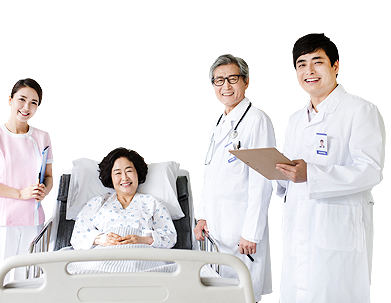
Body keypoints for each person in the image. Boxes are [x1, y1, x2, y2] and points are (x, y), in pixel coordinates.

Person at [275, 34, 385, 303]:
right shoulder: (297, 120)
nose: (309, 71)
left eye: (317, 62)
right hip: (299, 232)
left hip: (337, 235)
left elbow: (370, 169)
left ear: (335, 66)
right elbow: (288, 172)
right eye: (301, 64)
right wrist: (274, 172)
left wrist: (311, 174)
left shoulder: (359, 111)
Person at [194, 54, 275, 302]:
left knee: (244, 293)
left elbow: (262, 180)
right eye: (219, 80)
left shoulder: (256, 121)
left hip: (241, 231)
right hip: (217, 228)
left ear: (246, 82)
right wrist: (202, 215)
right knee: (220, 294)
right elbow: (211, 175)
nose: (225, 86)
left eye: (232, 79)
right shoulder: (220, 122)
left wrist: (251, 232)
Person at [0, 79, 54, 285]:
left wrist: (45, 191)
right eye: (22, 99)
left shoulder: (42, 138)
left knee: (29, 282)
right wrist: (20, 194)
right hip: (1, 222)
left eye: (34, 103)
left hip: (34, 221)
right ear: (10, 100)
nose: (27, 107)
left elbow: (49, 176)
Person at [70, 148, 177, 250]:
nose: (125, 178)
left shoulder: (152, 203)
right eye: (118, 173)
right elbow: (77, 237)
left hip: (141, 256)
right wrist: (101, 239)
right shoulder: (96, 203)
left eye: (129, 171)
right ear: (110, 177)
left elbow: (170, 237)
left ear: (137, 173)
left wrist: (144, 240)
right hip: (103, 257)